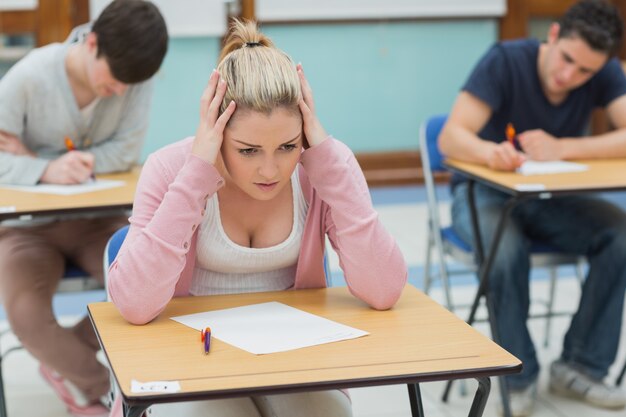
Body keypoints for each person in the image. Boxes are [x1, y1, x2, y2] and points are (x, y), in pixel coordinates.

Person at [107, 19, 407, 417]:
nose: (272, 171)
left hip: (292, 356)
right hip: (189, 355)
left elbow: (384, 290)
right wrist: (196, 171)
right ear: (216, 129)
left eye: (287, 146)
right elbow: (133, 303)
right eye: (248, 150)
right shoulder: (169, 168)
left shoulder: (322, 169)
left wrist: (332, 167)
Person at [439, 0, 626, 415]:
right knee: (505, 250)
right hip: (481, 193)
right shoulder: (505, 61)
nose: (569, 76)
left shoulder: (605, 69)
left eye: (586, 72)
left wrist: (566, 148)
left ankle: (581, 366)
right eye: (567, 60)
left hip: (548, 197)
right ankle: (517, 374)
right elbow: (450, 137)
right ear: (554, 35)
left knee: (621, 234)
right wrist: (490, 153)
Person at [0, 1, 168, 416]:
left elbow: (127, 151)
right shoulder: (28, 77)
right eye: (112, 84)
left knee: (149, 291)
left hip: (100, 221)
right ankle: (102, 387)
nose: (121, 94)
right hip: (27, 228)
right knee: (24, 311)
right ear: (91, 43)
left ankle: (66, 367)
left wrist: (39, 160)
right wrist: (47, 169)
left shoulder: (133, 79)